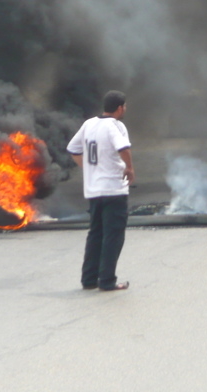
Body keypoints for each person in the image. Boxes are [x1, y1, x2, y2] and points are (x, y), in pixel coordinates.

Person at [67, 90, 135, 291]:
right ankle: (107, 281)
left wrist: (88, 168)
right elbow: (123, 148)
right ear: (120, 108)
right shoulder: (115, 126)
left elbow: (73, 149)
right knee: (113, 236)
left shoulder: (89, 124)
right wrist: (130, 168)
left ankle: (89, 279)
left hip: (93, 190)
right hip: (114, 190)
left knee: (95, 234)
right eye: (125, 106)